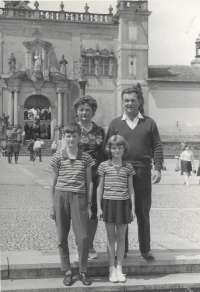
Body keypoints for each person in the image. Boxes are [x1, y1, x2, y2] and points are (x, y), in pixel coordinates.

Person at [105, 84, 163, 261]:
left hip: (142, 171)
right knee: (123, 213)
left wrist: (158, 168)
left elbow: (157, 146)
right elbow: (107, 149)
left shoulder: (149, 122)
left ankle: (145, 250)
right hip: (120, 173)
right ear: (122, 102)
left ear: (139, 101)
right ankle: (124, 249)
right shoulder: (115, 123)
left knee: (143, 213)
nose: (129, 103)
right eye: (126, 101)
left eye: (133, 100)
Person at [49, 123, 94, 286]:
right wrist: (52, 205)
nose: (71, 139)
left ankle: (83, 271)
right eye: (68, 136)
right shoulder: (58, 156)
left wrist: (89, 204)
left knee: (82, 237)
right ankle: (67, 270)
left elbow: (89, 182)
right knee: (61, 237)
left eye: (74, 136)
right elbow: (52, 183)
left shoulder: (86, 157)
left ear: (80, 137)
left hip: (79, 197)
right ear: (64, 137)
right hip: (60, 197)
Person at [97, 135, 135, 283]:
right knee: (110, 238)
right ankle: (111, 269)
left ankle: (120, 268)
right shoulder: (103, 166)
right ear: (109, 149)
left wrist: (133, 208)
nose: (117, 150)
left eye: (119, 147)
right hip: (108, 203)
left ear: (124, 149)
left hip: (123, 203)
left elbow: (131, 189)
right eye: (114, 147)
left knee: (121, 238)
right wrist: (99, 207)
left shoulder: (128, 167)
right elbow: (100, 187)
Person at [72, 95, 105, 259]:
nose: (84, 112)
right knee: (78, 212)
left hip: (96, 176)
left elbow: (104, 154)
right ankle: (80, 245)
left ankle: (90, 245)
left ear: (93, 112)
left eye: (88, 110)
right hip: (76, 176)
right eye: (81, 109)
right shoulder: (71, 129)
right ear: (77, 112)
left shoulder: (100, 131)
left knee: (92, 211)